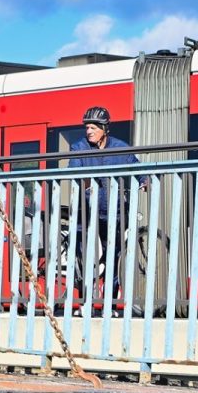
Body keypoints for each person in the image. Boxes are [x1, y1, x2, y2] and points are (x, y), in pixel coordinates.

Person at [68, 107, 139, 303]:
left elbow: (137, 167)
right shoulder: (79, 148)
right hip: (87, 213)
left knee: (113, 257)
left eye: (93, 127)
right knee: (85, 258)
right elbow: (74, 171)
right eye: (87, 127)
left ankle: (110, 302)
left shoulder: (121, 147)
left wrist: (144, 181)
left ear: (104, 128)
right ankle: (85, 302)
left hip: (112, 212)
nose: (88, 131)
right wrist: (84, 181)